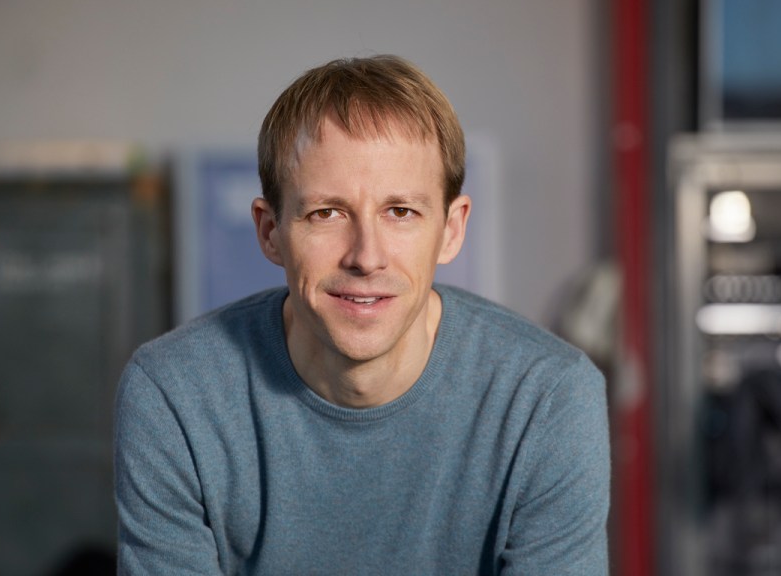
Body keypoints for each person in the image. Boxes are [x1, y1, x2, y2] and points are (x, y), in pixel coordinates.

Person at [114, 55, 610, 575]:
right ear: (270, 231)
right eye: (326, 212)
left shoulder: (548, 398)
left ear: (451, 229)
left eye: (401, 212)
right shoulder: (174, 395)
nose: (366, 256)